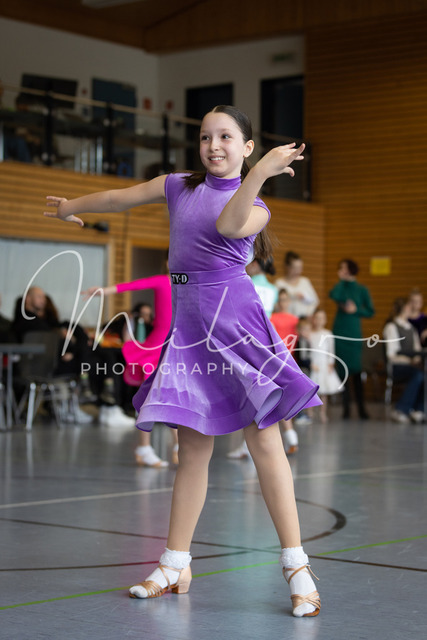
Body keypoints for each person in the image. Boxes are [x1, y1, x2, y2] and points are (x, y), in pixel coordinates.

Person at [44, 104, 321, 618]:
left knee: (264, 442)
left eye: (226, 137)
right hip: (190, 328)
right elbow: (118, 197)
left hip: (236, 324)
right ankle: (175, 563)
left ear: (247, 147)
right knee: (190, 449)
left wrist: (259, 174)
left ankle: (297, 567)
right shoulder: (178, 186)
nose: (213, 145)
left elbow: (229, 222)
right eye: (205, 136)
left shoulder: (257, 206)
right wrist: (70, 208)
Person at [83, 274, 179, 468]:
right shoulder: (163, 281)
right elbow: (135, 284)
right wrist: (104, 291)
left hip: (176, 346)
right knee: (152, 398)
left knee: (171, 399)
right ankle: (145, 447)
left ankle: (175, 446)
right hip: (156, 348)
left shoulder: (191, 282)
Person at [329, 259, 375, 420]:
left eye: (344, 268)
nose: (341, 270)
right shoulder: (341, 286)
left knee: (356, 371)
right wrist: (342, 280)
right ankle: (346, 409)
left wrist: (356, 310)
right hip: (339, 331)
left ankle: (362, 408)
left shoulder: (362, 289)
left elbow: (370, 311)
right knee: (342, 372)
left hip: (354, 334)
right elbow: (333, 295)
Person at [383, 297, 425, 424]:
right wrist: (409, 361)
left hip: (412, 365)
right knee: (418, 375)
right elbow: (392, 354)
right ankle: (401, 409)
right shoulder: (391, 327)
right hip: (397, 366)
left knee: (423, 374)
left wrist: (417, 359)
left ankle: (419, 410)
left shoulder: (411, 328)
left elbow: (417, 350)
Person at [309, 309, 343, 423]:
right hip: (314, 363)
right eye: (317, 318)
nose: (319, 321)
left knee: (324, 390)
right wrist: (310, 363)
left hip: (324, 364)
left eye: (322, 318)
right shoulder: (310, 333)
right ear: (313, 319)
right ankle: (310, 412)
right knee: (311, 390)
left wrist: (330, 363)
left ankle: (322, 412)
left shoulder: (328, 333)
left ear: (325, 320)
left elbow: (331, 350)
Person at [275, 251, 319, 318]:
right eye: (294, 268)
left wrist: (308, 314)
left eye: (299, 268)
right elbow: (275, 305)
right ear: (287, 267)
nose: (297, 271)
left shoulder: (305, 282)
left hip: (304, 320)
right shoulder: (279, 284)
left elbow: (315, 301)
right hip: (286, 319)